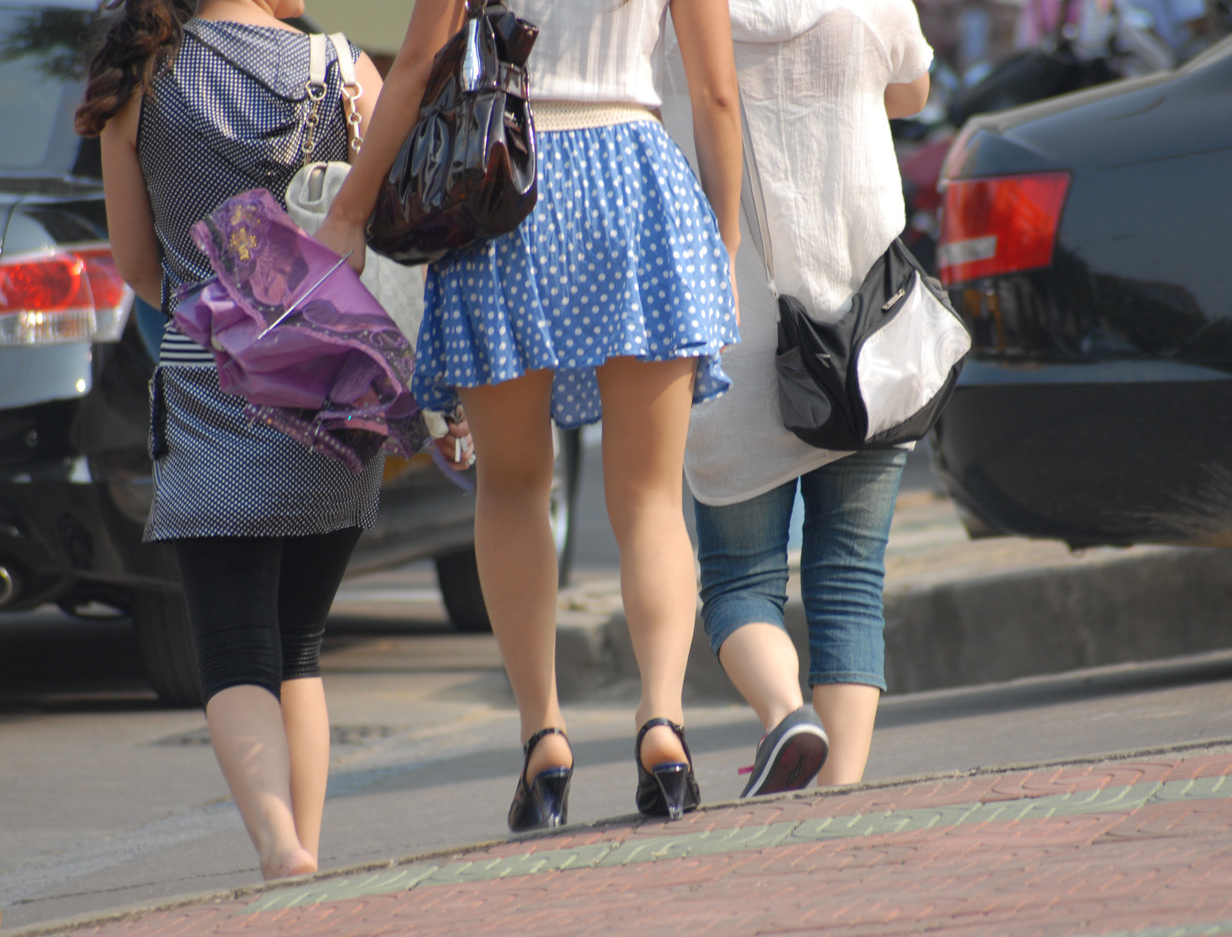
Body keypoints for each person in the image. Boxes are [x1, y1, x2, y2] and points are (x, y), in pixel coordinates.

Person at [315, 0, 741, 830]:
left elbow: (414, 68)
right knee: (650, 497)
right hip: (636, 182)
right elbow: (717, 97)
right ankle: (664, 723)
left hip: (504, 182)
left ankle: (543, 736)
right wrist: (719, 248)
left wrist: (349, 213)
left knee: (511, 486)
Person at [74, 0, 467, 879]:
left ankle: (278, 846)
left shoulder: (139, 79)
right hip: (333, 385)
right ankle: (306, 853)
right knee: (299, 647)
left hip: (210, 377)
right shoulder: (341, 68)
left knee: (233, 649)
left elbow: (138, 267)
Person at [679, 0, 933, 796]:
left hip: (733, 332)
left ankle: (789, 712)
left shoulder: (677, 13)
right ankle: (840, 797)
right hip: (869, 333)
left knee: (738, 580)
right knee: (852, 572)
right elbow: (913, 92)